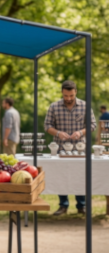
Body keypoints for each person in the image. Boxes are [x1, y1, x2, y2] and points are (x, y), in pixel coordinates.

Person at [44, 80, 96, 216]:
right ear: (62, 92)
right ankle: (63, 205)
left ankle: (81, 205)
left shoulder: (85, 106)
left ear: (75, 92)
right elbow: (47, 126)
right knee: (62, 177)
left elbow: (93, 125)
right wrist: (57, 133)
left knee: (80, 176)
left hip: (80, 149)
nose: (68, 98)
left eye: (71, 96)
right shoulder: (54, 106)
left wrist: (81, 132)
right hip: (59, 149)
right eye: (66, 96)